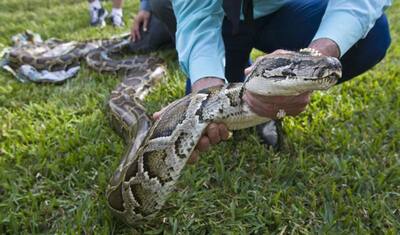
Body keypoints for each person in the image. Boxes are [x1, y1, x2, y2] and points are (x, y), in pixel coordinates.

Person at [134, 0, 392, 162]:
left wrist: (313, 58)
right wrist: (206, 90)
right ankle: (250, 83)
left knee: (373, 35)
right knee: (210, 111)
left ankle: (267, 95)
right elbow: (197, 19)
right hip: (221, 17)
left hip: (279, 11)